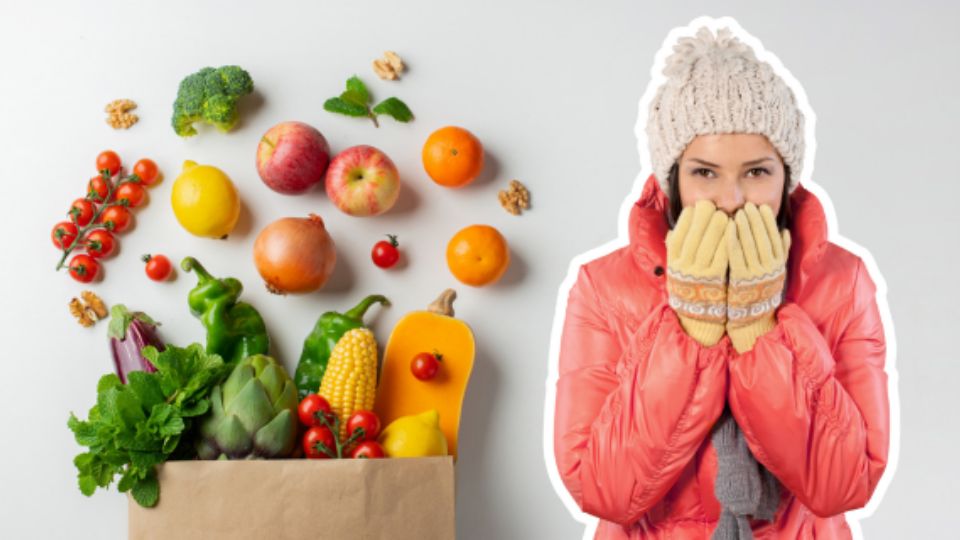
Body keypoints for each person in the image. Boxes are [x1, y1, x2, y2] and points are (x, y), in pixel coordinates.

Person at [553, 25, 890, 539]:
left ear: (786, 175)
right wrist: (692, 327)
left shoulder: (843, 282)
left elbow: (843, 487)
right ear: (674, 179)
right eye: (705, 174)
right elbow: (605, 492)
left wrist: (761, 330)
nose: (731, 199)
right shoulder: (603, 289)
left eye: (756, 173)